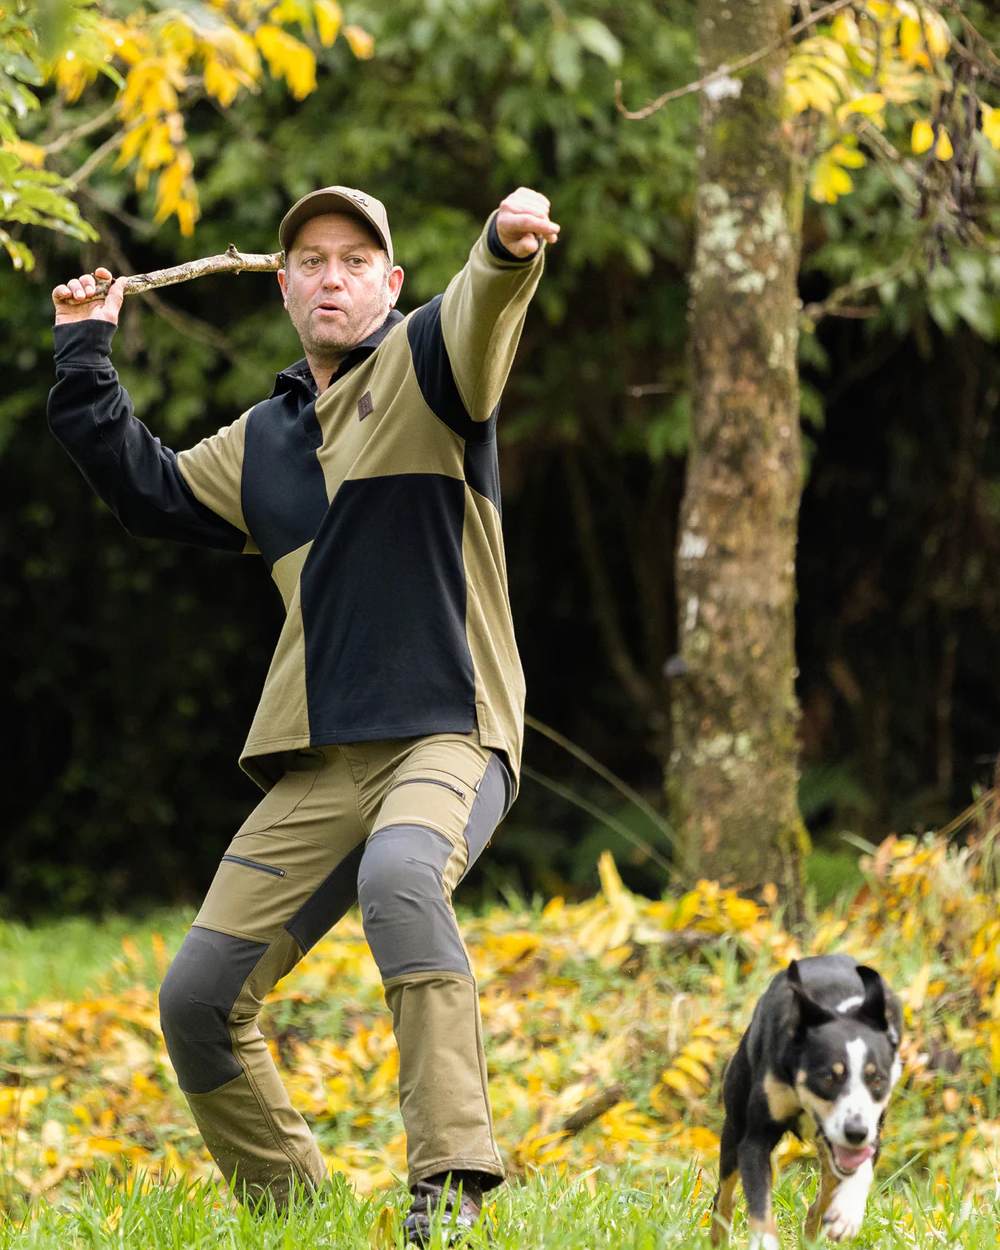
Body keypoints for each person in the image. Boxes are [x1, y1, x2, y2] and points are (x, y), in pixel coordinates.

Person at [48, 184, 559, 1243]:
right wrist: (86, 357)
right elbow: (150, 493)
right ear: (282, 286)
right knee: (196, 999)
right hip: (323, 760)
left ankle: (450, 1188)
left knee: (402, 877)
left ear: (390, 282)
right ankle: (296, 1216)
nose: (332, 277)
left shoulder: (434, 365)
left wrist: (506, 244)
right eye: (312, 262)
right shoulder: (262, 442)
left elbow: (484, 300)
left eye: (354, 260)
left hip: (449, 728)